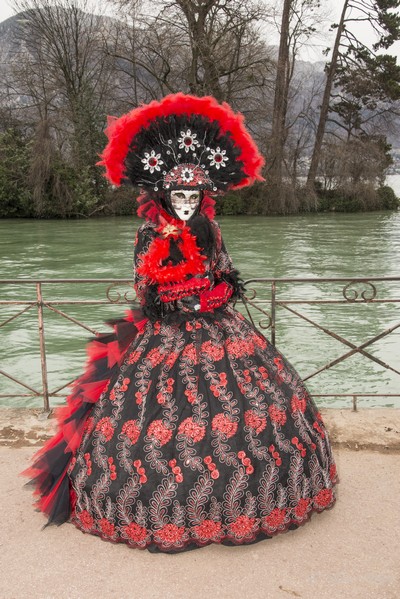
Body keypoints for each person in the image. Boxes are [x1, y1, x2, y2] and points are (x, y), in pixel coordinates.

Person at [21, 93, 338, 553]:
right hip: (164, 331)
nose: (187, 203)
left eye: (194, 196)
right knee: (156, 418)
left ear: (204, 197)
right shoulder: (150, 233)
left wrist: (219, 290)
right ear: (162, 195)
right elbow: (144, 285)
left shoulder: (212, 230)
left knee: (243, 408)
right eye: (179, 195)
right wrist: (175, 297)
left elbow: (226, 270)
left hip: (219, 325)